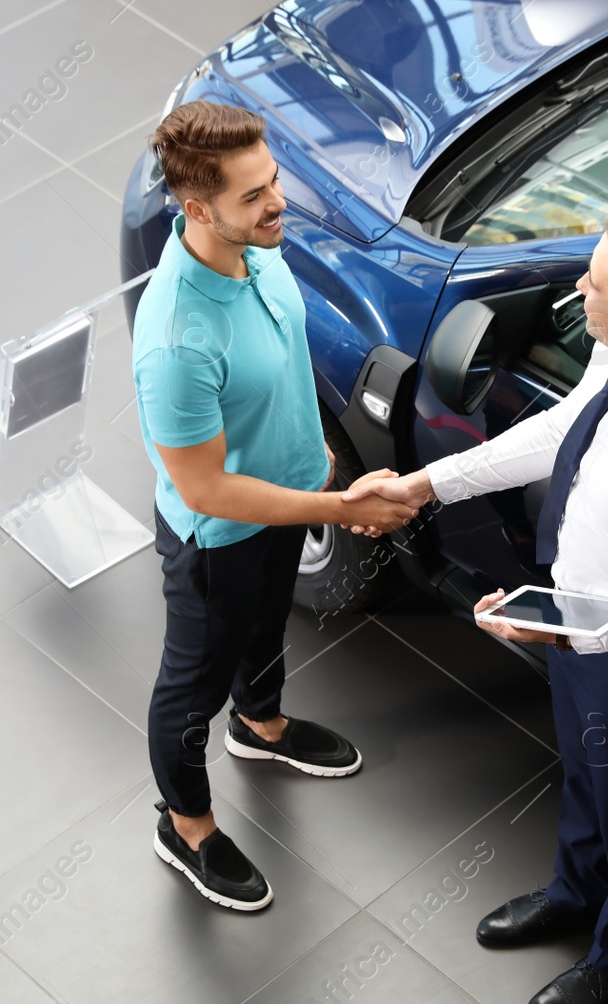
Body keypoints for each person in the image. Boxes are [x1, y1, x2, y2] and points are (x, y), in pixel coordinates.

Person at [345, 206, 608, 1004]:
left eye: (593, 282)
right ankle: (576, 892)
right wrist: (424, 485)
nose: (578, 286)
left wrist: (582, 630)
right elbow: (567, 428)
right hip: (582, 622)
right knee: (584, 771)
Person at [132, 101, 417, 911]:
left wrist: (314, 466)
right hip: (221, 535)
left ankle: (260, 726)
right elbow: (206, 489)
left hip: (288, 494)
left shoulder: (257, 251)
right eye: (253, 194)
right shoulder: (177, 340)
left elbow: (281, 364)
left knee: (265, 630)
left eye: (273, 180)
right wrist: (329, 507)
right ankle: (185, 824)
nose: (277, 202)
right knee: (192, 686)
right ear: (198, 209)